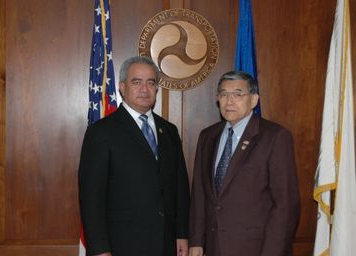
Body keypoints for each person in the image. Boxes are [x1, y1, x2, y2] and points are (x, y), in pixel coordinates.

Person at [78, 56, 190, 256]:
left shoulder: (169, 131)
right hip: (121, 245)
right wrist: (100, 250)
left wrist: (182, 233)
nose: (144, 89)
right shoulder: (101, 133)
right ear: (122, 87)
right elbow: (91, 199)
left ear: (156, 89)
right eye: (136, 82)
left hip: (167, 244)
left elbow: (180, 188)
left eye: (151, 82)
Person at [189, 71, 300, 256]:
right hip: (214, 247)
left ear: (254, 99)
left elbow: (286, 205)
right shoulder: (208, 136)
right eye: (223, 94)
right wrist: (196, 241)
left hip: (257, 249)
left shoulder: (275, 137)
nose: (229, 101)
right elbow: (200, 194)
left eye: (238, 94)